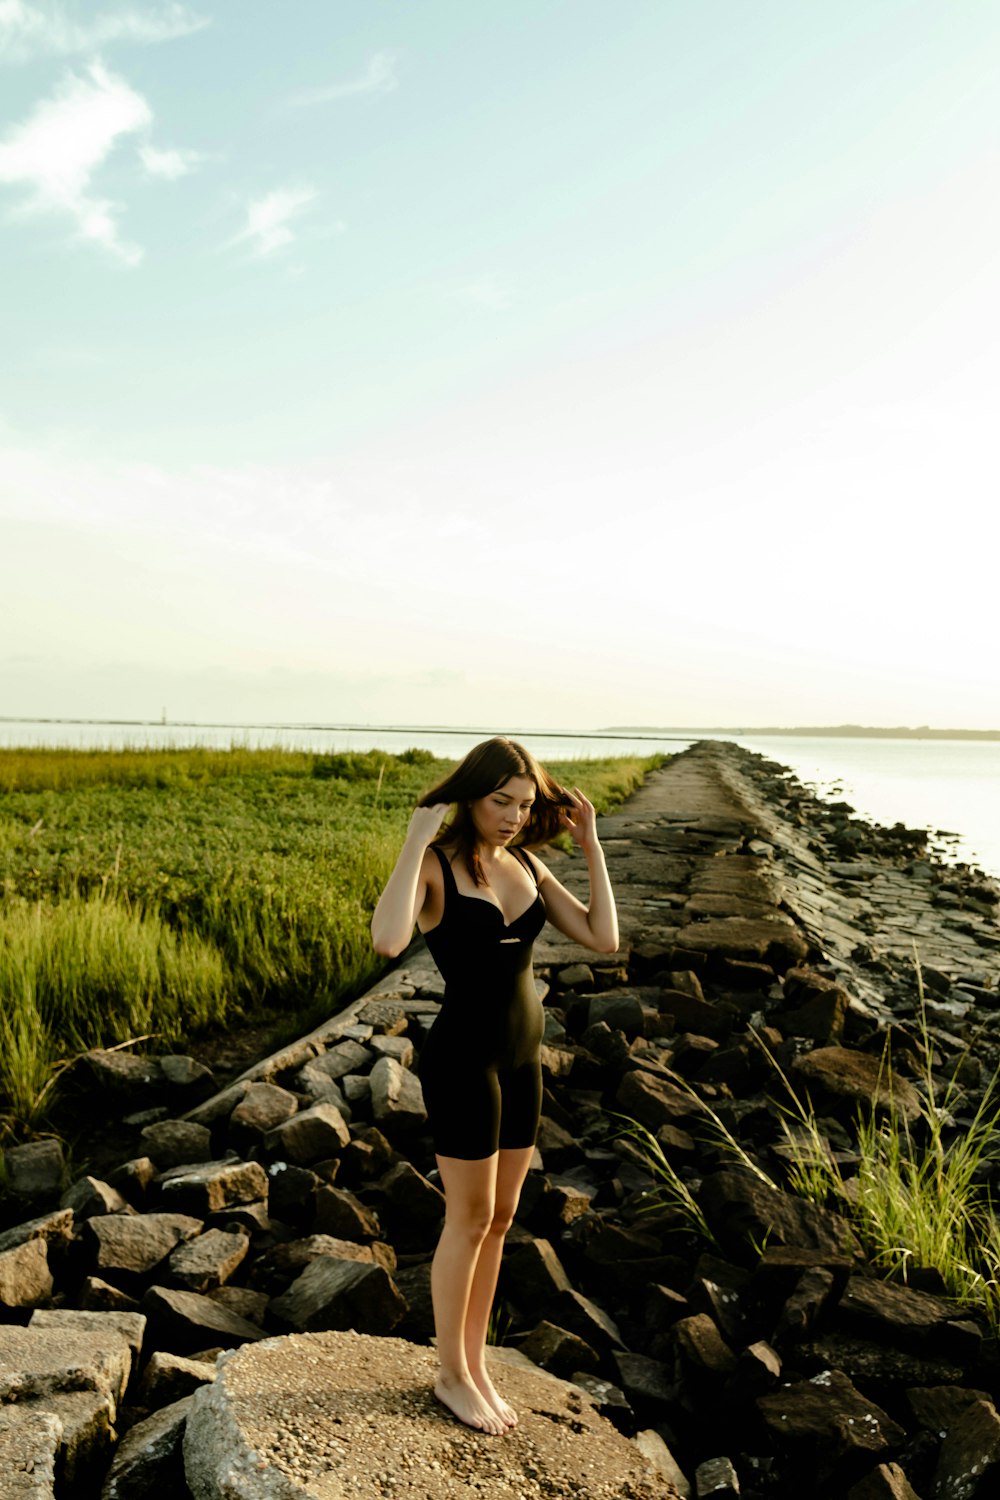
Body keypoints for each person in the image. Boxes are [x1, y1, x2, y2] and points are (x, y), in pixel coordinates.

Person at [371, 737, 619, 1436]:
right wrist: (415, 839)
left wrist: (592, 844)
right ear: (469, 797)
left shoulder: (530, 864)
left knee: (503, 1220)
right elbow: (388, 941)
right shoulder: (435, 868)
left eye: (525, 804)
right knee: (469, 1218)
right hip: (463, 1060)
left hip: (522, 1059)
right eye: (499, 801)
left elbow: (603, 937)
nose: (512, 816)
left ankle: (473, 1363)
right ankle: (449, 1372)